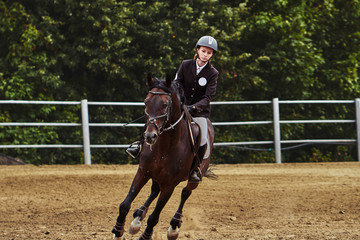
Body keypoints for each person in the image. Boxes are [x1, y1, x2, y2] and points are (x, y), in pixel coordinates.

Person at [126, 35, 219, 183]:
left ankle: (195, 169)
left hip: (199, 112)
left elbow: (208, 98)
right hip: (180, 107)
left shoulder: (213, 73)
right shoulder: (185, 64)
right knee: (155, 119)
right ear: (197, 50)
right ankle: (138, 145)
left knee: (202, 139)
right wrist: (179, 103)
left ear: (212, 55)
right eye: (203, 51)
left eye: (209, 52)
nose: (205, 54)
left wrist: (193, 107)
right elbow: (176, 85)